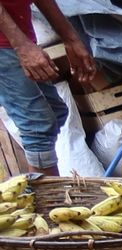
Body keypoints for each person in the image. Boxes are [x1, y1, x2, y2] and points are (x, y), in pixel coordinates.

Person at [0, 0, 96, 175]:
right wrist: (22, 47)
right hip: (5, 43)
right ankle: (48, 192)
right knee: (37, 125)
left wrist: (71, 39)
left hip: (19, 33)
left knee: (56, 111)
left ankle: (38, 186)